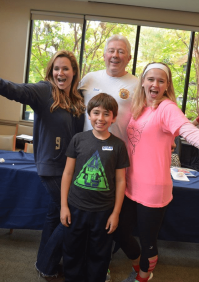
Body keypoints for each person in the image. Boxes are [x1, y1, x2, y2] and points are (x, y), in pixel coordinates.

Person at [0, 50, 85, 281]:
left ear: (73, 72)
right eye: (56, 68)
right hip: (50, 168)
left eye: (65, 68)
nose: (60, 73)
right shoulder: (44, 91)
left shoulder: (76, 98)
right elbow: (14, 89)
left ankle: (44, 263)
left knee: (54, 215)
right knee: (74, 213)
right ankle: (47, 262)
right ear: (51, 72)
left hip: (68, 168)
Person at [119, 62, 199, 282]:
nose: (155, 84)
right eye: (151, 79)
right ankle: (139, 267)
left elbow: (187, 131)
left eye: (161, 80)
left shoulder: (167, 108)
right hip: (129, 184)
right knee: (121, 231)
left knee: (148, 241)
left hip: (153, 189)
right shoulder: (139, 107)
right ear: (143, 81)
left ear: (167, 85)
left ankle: (143, 277)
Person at [60, 93, 130, 282]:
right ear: (88, 115)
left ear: (114, 118)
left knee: (99, 254)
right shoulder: (78, 139)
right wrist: (64, 206)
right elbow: (67, 173)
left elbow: (121, 181)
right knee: (72, 250)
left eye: (106, 114)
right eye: (96, 113)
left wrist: (115, 213)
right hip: (75, 208)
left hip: (103, 212)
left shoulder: (118, 145)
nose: (101, 118)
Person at [79, 34, 138, 145]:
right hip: (87, 147)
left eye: (120, 52)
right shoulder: (89, 79)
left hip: (118, 151)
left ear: (129, 58)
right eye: (111, 51)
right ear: (104, 56)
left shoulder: (137, 85)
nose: (115, 55)